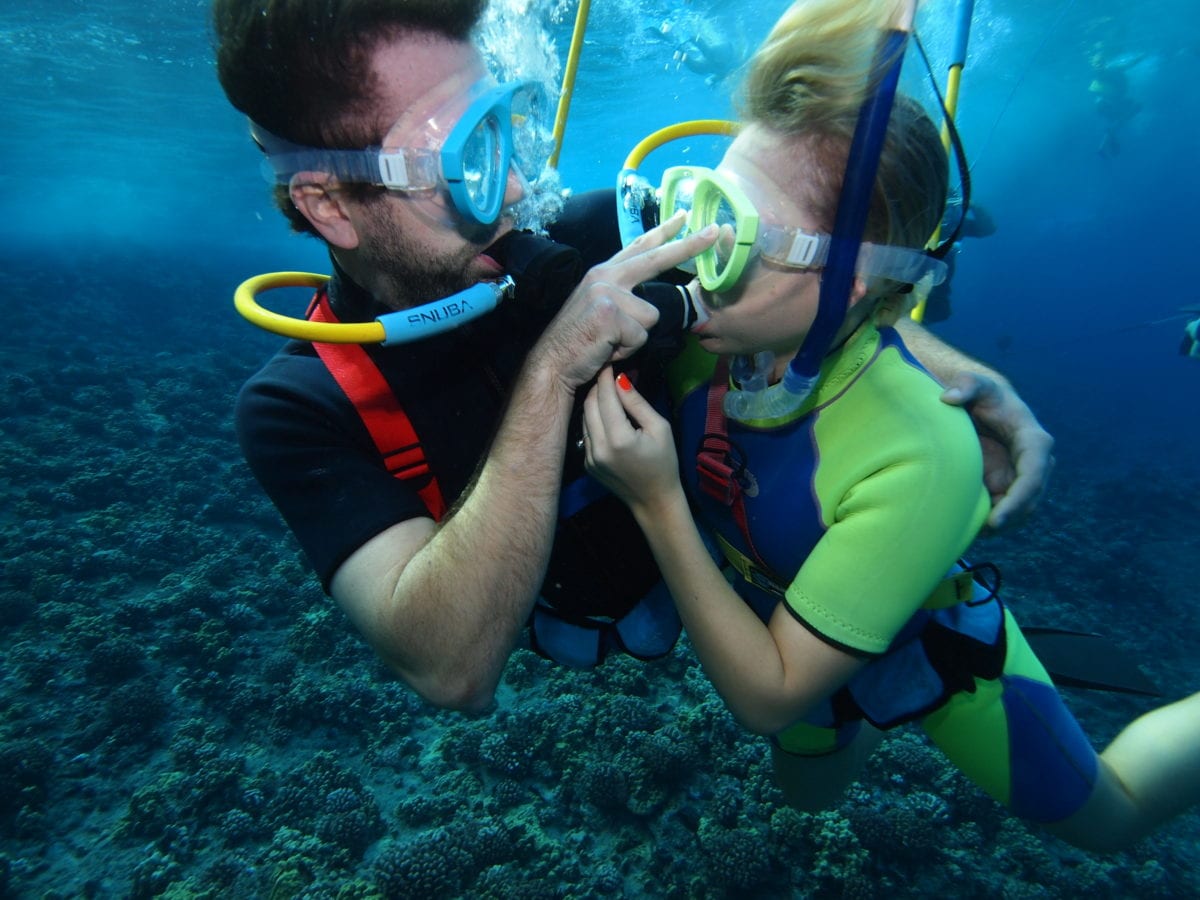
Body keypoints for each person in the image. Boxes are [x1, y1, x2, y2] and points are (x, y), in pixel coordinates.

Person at [213, 0, 1054, 715]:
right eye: (463, 161)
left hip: (740, 590)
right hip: (595, 616)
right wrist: (553, 371)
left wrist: (942, 365)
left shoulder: (592, 235)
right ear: (329, 205)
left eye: (509, 124)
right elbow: (451, 669)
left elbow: (805, 266)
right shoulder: (304, 406)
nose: (513, 190)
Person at [583, 0, 1200, 852]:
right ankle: (860, 693)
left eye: (735, 241)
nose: (688, 255)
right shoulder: (709, 332)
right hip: (780, 619)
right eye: (698, 207)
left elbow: (767, 696)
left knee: (1110, 823)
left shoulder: (924, 455)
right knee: (807, 800)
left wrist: (655, 503)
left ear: (862, 282)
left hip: (929, 652)